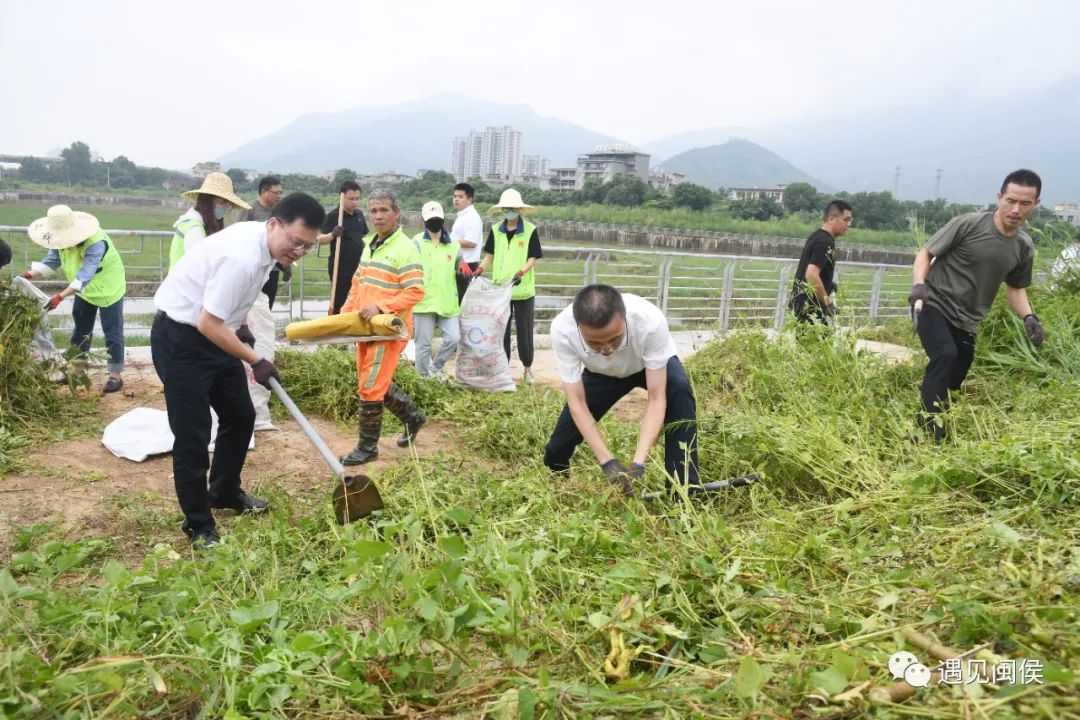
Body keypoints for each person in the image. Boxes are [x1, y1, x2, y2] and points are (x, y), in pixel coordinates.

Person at [151, 192, 325, 548]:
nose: (299, 252)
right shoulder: (243, 257)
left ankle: (224, 492)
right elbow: (208, 324)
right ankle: (199, 524)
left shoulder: (265, 245)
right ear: (274, 224)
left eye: (307, 247)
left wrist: (241, 324)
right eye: (296, 242)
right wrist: (254, 358)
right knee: (193, 436)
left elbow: (229, 303)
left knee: (240, 416)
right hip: (182, 340)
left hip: (216, 333)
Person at [909, 169, 1045, 443]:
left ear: (1036, 205)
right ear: (999, 197)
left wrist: (1029, 317)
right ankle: (927, 435)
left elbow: (1015, 288)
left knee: (957, 374)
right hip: (933, 303)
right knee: (944, 355)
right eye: (1011, 200)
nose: (1016, 209)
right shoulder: (968, 224)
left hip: (968, 320)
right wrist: (919, 285)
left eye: (1025, 203)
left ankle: (936, 423)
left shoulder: (1023, 246)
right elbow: (926, 252)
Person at [543, 285, 700, 493]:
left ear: (625, 318)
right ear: (579, 327)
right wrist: (607, 462)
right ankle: (560, 485)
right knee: (556, 449)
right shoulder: (563, 330)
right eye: (595, 343)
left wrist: (638, 462)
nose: (607, 349)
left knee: (679, 392)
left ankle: (682, 486)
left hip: (647, 365)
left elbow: (656, 399)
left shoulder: (649, 320)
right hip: (600, 374)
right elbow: (577, 403)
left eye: (614, 338)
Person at [339, 189, 426, 465]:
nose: (378, 215)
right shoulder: (371, 244)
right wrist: (346, 311)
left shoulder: (405, 248)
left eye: (384, 210)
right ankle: (412, 416)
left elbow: (415, 291)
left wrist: (381, 307)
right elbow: (358, 282)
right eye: (373, 210)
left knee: (370, 386)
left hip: (389, 329)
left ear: (396, 213)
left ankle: (367, 448)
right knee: (372, 381)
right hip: (365, 328)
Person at [22, 205, 127, 393]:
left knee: (112, 332)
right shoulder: (60, 240)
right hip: (83, 291)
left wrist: (60, 296)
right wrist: (29, 274)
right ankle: (76, 370)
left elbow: (85, 275)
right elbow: (52, 260)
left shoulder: (95, 243)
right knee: (80, 330)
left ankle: (115, 375)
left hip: (109, 288)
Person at [237, 175, 288, 431]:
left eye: (281, 192)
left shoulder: (278, 215)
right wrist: (255, 359)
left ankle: (257, 413)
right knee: (248, 339)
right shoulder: (249, 213)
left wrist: (283, 264)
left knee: (261, 329)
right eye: (275, 192)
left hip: (262, 283)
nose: (279, 195)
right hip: (248, 282)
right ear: (263, 191)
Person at [477, 188, 543, 384]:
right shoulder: (496, 230)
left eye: (512, 208)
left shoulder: (530, 230)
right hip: (501, 291)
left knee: (524, 331)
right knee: (501, 331)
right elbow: (489, 256)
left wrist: (521, 272)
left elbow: (532, 258)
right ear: (502, 210)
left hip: (523, 291)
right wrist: (479, 269)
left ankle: (527, 370)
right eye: (506, 208)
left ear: (519, 210)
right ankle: (503, 369)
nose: (509, 212)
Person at [412, 201, 462, 380]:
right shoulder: (417, 242)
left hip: (447, 299)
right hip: (423, 301)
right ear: (424, 220)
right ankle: (423, 380)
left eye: (437, 219)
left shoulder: (454, 244)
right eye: (430, 219)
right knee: (423, 344)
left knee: (453, 338)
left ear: (442, 219)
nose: (434, 222)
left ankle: (436, 366)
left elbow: (459, 265)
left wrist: (463, 268)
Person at [169, 172, 251, 273]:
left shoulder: (199, 224)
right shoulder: (194, 229)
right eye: (223, 202)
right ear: (207, 200)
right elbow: (200, 269)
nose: (226, 207)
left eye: (229, 204)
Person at [788, 199, 852, 323]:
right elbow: (811, 274)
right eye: (846, 219)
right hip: (810, 308)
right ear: (831, 218)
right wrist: (828, 303)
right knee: (819, 341)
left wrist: (828, 284)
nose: (848, 224)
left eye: (850, 220)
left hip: (803, 304)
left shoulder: (817, 236)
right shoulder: (825, 242)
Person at [317, 180, 368, 314]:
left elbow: (363, 237)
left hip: (359, 267)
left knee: (357, 299)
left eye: (357, 198)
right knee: (340, 300)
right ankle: (336, 327)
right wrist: (333, 234)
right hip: (340, 267)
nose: (354, 202)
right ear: (342, 196)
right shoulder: (334, 216)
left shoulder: (359, 215)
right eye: (351, 199)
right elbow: (320, 239)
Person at [450, 182, 484, 302]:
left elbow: (471, 242)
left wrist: (449, 242)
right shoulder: (462, 216)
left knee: (463, 303)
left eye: (460, 197)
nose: (456, 199)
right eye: (455, 196)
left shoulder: (472, 217)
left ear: (469, 200)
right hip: (459, 263)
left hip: (467, 266)